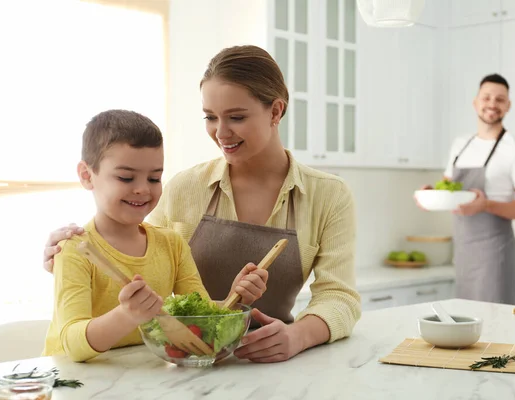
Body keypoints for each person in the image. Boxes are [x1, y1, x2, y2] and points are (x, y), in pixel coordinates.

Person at [43, 45, 361, 363]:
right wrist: (71, 251)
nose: (220, 132)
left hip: (273, 360)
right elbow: (137, 256)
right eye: (210, 117)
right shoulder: (184, 188)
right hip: (188, 362)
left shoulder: (328, 195)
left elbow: (339, 295)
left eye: (236, 117)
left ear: (276, 112)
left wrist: (296, 337)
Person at [42, 109, 268, 362]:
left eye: (154, 178)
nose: (142, 189)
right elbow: (72, 344)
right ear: (87, 176)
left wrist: (235, 299)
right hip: (70, 380)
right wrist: (127, 315)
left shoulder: (171, 243)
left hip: (141, 376)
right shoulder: (73, 250)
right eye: (126, 177)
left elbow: (199, 317)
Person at [417, 73, 515, 305]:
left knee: (497, 332)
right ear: (476, 102)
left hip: (496, 258)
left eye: (500, 99)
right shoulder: (460, 145)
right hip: (463, 256)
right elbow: (448, 190)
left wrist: (486, 204)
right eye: (486, 98)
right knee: (469, 331)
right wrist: (431, 194)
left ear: (508, 106)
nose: (492, 104)